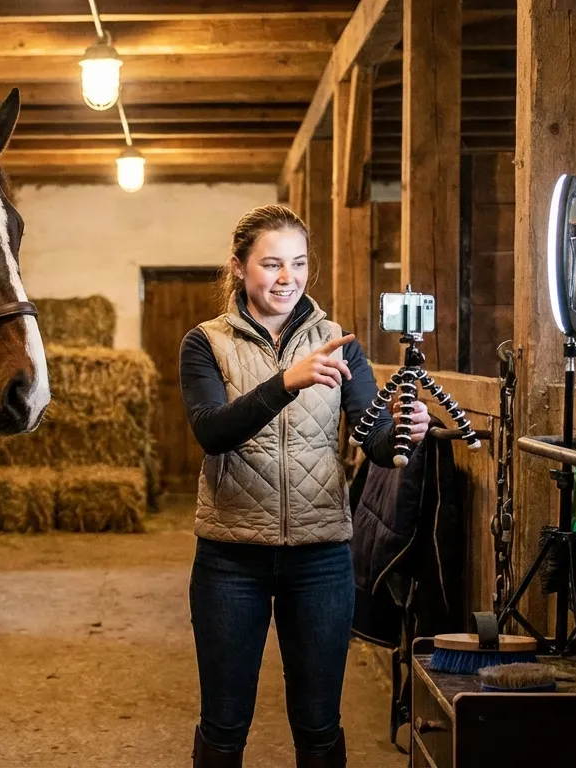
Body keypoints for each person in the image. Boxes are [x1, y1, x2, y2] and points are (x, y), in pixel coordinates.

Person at [179, 204, 428, 768]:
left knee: (319, 727)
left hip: (320, 557)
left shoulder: (339, 343)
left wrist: (407, 434)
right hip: (230, 557)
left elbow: (377, 441)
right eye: (271, 264)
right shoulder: (206, 344)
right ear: (240, 268)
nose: (287, 277)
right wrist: (285, 381)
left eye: (298, 263)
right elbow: (212, 432)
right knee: (224, 725)